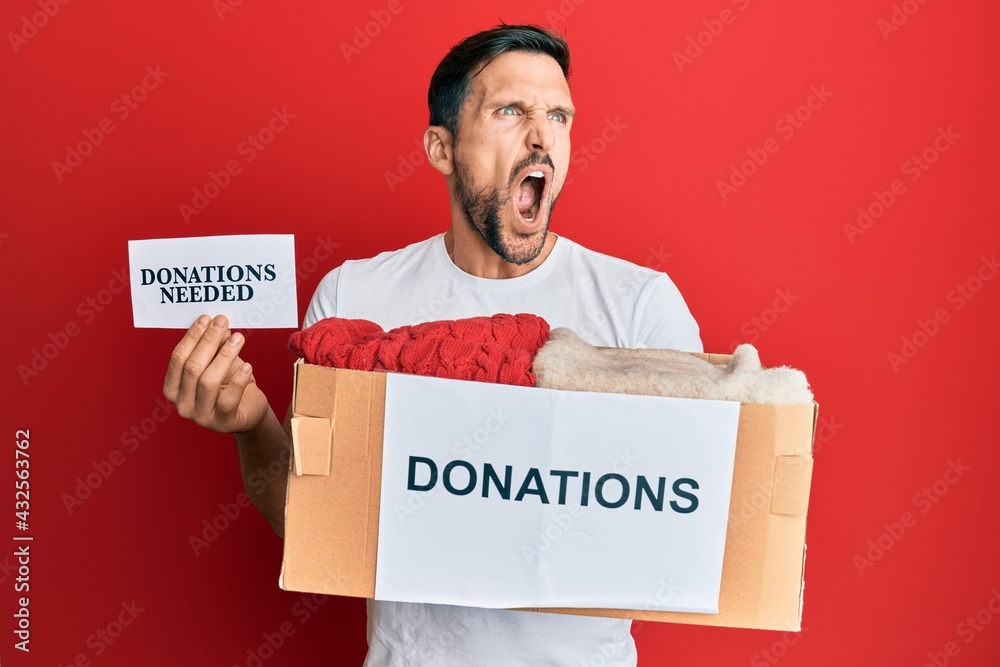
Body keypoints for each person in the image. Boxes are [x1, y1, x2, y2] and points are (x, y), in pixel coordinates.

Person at [163, 24, 701, 666]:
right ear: (440, 147)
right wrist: (250, 426)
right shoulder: (354, 300)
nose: (542, 137)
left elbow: (687, 523)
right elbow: (313, 524)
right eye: (510, 111)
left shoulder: (640, 307)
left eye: (558, 115)